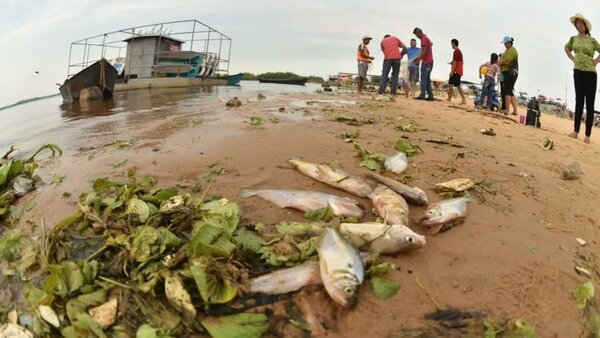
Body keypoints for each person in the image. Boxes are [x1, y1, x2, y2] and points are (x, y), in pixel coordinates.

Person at [565, 13, 600, 143]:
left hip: (590, 73)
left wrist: (596, 61)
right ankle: (576, 131)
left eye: (581, 23)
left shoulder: (592, 40)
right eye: (577, 23)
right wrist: (573, 58)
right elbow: (566, 48)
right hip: (578, 72)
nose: (579, 25)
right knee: (579, 101)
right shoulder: (573, 39)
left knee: (589, 103)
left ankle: (587, 135)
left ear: (585, 26)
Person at [497, 36, 519, 115]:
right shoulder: (507, 51)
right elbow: (502, 59)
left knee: (507, 91)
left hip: (510, 72)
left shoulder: (512, 50)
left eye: (505, 43)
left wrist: (500, 62)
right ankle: (515, 110)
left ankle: (507, 110)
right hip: (505, 72)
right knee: (510, 91)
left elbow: (507, 60)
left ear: (509, 43)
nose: (504, 45)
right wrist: (500, 61)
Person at [413, 28, 434, 101]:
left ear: (418, 33)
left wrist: (418, 59)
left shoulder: (424, 39)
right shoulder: (426, 38)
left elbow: (424, 51)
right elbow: (430, 44)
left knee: (423, 79)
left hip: (426, 62)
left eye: (416, 35)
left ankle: (422, 95)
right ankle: (430, 96)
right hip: (430, 62)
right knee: (427, 79)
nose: (417, 37)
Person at [445, 39, 466, 104]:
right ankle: (463, 100)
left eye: (451, 44)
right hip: (459, 70)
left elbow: (455, 62)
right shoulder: (459, 51)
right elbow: (457, 61)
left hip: (456, 70)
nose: (451, 45)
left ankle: (449, 99)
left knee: (451, 83)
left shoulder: (456, 51)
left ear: (453, 43)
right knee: (457, 84)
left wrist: (452, 71)